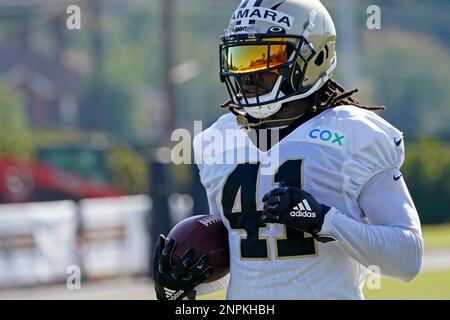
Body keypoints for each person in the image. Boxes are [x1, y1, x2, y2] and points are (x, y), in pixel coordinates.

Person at [153, 0, 423, 300]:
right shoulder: (219, 139)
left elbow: (407, 258)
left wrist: (324, 220)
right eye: (241, 58)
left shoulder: (355, 134)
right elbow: (246, 256)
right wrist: (184, 280)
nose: (248, 75)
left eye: (264, 57)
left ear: (314, 55)